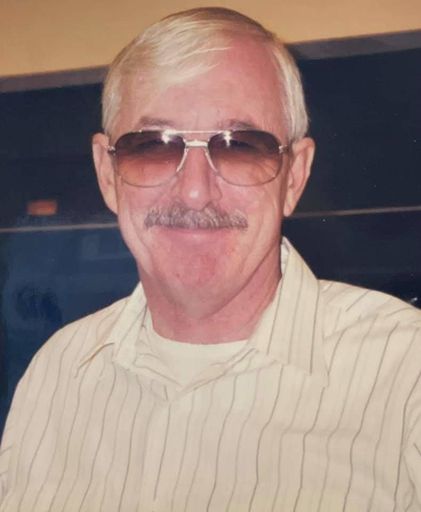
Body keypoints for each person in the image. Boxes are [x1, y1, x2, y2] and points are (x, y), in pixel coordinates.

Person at [1, 7, 421, 512]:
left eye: (240, 146)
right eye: (152, 146)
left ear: (294, 176)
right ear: (107, 174)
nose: (195, 192)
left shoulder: (405, 375)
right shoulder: (57, 374)